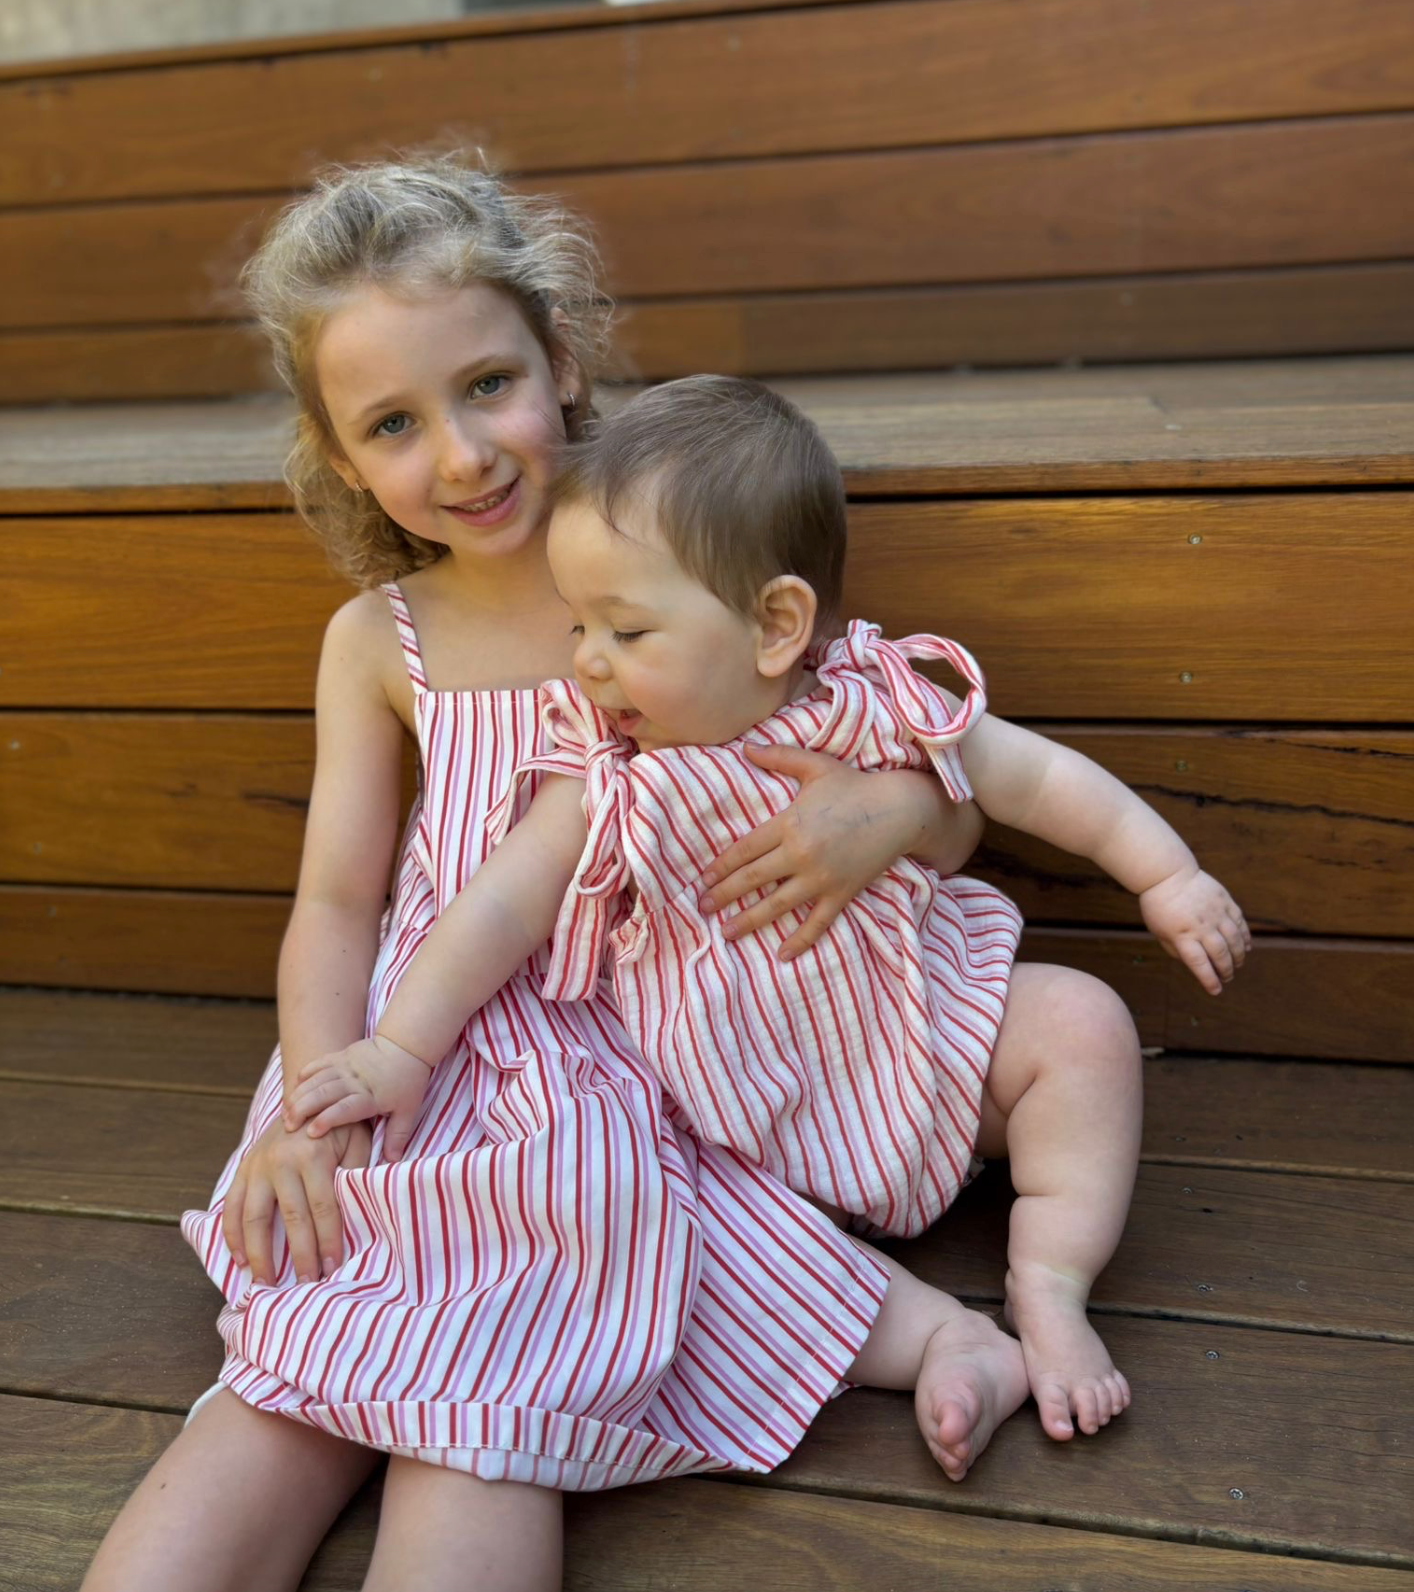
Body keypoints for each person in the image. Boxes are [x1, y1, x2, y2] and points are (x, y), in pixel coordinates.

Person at [82, 161, 1025, 1592]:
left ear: (561, 361)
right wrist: (309, 1089)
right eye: (394, 424)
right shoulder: (375, 640)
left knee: (484, 1378)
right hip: (413, 1035)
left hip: (616, 1042)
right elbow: (337, 899)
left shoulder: (677, 564)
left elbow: (929, 785)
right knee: (291, 1364)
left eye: (485, 386)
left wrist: (889, 813)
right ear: (341, 458)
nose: (459, 456)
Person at [289, 374, 1252, 1466]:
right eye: (578, 625)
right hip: (733, 1110)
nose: (587, 660)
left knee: (1082, 1023)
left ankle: (1052, 1283)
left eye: (626, 627)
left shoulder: (871, 699)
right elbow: (496, 906)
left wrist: (1164, 876)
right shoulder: (607, 770)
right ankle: (927, 1333)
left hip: (923, 1041)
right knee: (640, 1182)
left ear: (775, 624)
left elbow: (1040, 780)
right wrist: (401, 1048)